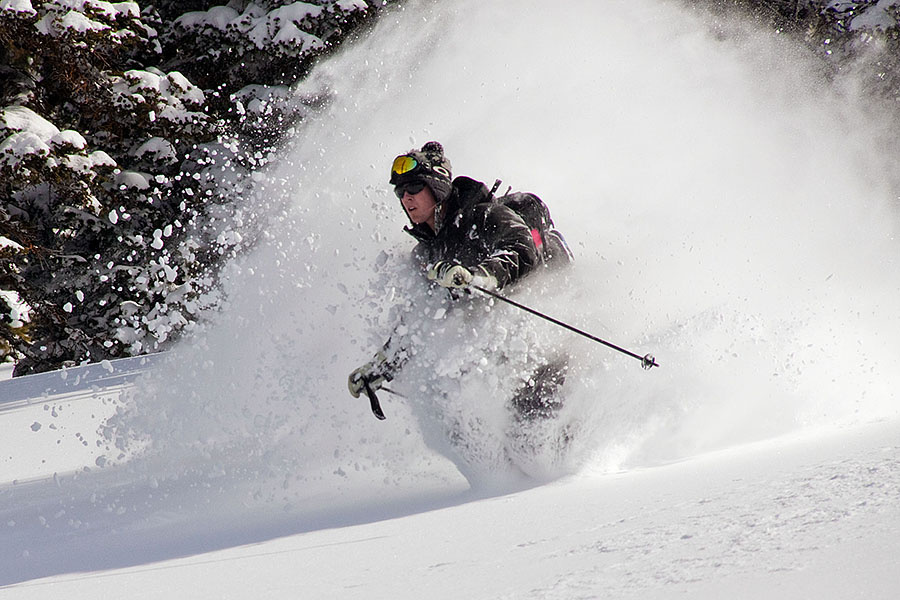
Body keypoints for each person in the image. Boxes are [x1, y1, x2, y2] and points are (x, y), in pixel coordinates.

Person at [347, 141, 570, 421]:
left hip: (546, 332)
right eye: (401, 192)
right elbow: (421, 319)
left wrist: (479, 276)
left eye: (415, 189)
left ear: (437, 187)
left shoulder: (484, 216)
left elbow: (520, 249)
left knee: (534, 419)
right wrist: (381, 367)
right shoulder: (426, 255)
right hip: (498, 357)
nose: (407, 199)